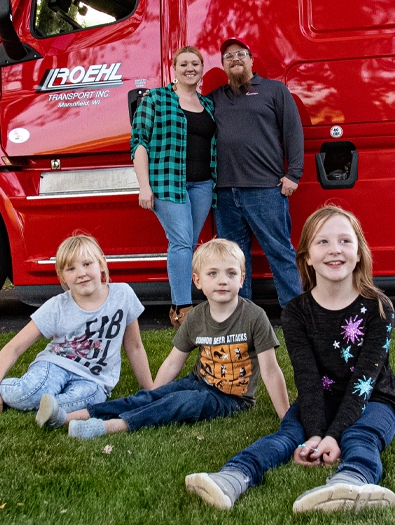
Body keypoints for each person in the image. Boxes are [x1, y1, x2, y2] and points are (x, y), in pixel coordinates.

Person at [185, 205, 395, 514]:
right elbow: (307, 379)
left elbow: (364, 382)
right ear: (306, 257)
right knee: (290, 434)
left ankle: (352, 480)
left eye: (345, 241)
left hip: (376, 397)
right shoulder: (295, 312)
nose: (335, 250)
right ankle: (231, 477)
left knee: (361, 434)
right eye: (323, 242)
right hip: (322, 396)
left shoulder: (378, 307)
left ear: (359, 254)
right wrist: (315, 432)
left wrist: (333, 436)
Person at [35, 238, 290, 438]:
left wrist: (285, 418)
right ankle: (69, 416)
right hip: (198, 381)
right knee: (149, 397)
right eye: (213, 274)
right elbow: (173, 361)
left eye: (231, 274)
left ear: (242, 278)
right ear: (197, 281)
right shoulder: (196, 317)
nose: (222, 281)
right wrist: (155, 391)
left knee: (183, 403)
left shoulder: (255, 317)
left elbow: (270, 370)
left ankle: (110, 427)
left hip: (231, 399)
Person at [0, 234, 153, 415]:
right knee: (32, 393)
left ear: (102, 264)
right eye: (71, 269)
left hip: (94, 380)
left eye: (87, 264)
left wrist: (150, 389)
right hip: (56, 364)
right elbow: (14, 347)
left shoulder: (123, 295)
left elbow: (134, 347)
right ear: (62, 277)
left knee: (76, 405)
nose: (81, 273)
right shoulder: (56, 307)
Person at [209, 37, 304, 307]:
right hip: (225, 194)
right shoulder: (215, 98)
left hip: (266, 191)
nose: (235, 59)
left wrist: (294, 174)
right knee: (233, 262)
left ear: (251, 60)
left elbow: (293, 132)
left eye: (240, 54)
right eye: (228, 56)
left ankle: (296, 315)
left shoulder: (274, 91)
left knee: (280, 252)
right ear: (224, 66)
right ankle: (241, 317)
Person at [132, 46, 216, 328]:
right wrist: (145, 186)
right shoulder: (156, 99)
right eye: (184, 64)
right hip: (167, 185)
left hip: (203, 185)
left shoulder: (209, 105)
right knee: (181, 241)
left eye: (195, 63)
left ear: (202, 68)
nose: (190, 68)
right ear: (174, 68)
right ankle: (183, 310)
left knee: (188, 244)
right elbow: (139, 143)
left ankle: (179, 303)